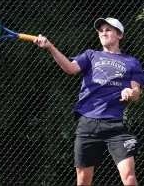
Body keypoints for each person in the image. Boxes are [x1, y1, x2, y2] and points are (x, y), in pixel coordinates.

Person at [34, 17, 144, 185]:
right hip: (88, 123)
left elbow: (137, 93)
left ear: (119, 34)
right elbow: (70, 68)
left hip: (115, 125)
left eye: (108, 29)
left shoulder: (132, 62)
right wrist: (50, 47)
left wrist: (131, 91)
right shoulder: (91, 55)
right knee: (83, 181)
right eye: (101, 30)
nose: (103, 33)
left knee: (129, 179)